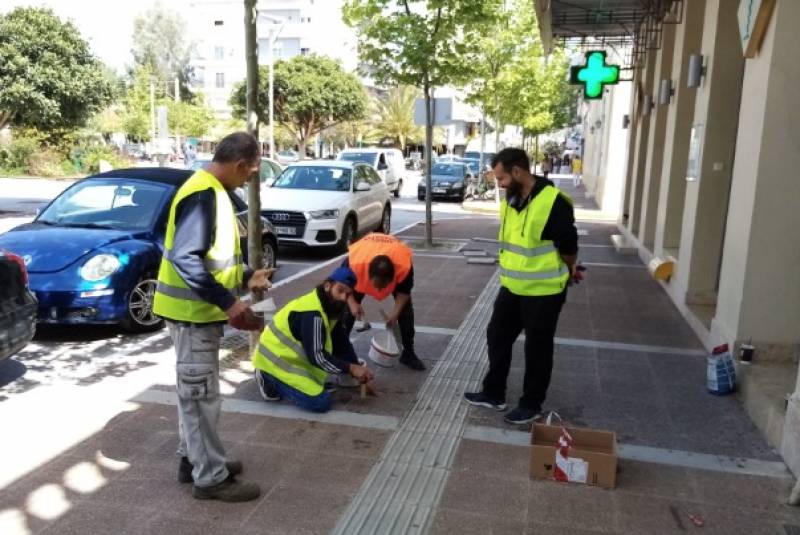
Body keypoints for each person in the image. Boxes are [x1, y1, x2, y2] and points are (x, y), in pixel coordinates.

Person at [153, 132, 272, 502]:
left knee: (195, 394)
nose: (249, 179)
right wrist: (229, 304)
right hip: (192, 316)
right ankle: (210, 478)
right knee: (201, 397)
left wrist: (245, 275)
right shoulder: (203, 193)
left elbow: (211, 260)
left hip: (193, 315)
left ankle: (195, 460)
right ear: (239, 165)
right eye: (251, 173)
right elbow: (186, 258)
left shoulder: (210, 191)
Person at [464, 148, 579, 425]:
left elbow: (569, 248)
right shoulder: (511, 199)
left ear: (518, 171)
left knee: (537, 349)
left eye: (502, 177)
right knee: (496, 335)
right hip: (512, 287)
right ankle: (494, 393)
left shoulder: (553, 202)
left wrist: (569, 269)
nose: (499, 184)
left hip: (544, 291)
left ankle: (531, 404)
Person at [252, 267, 375, 412]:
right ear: (328, 286)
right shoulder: (313, 314)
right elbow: (317, 357)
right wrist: (352, 369)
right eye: (340, 291)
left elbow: (341, 341)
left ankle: (304, 381)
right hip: (273, 362)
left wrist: (357, 369)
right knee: (319, 402)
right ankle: (267, 378)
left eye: (348, 294)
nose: (343, 297)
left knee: (321, 388)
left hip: (291, 360)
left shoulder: (329, 306)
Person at [341, 232, 426, 371]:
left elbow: (404, 292)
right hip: (361, 266)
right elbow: (340, 284)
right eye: (376, 285)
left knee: (406, 312)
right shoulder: (354, 262)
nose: (379, 290)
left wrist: (395, 314)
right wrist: (352, 303)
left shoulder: (403, 265)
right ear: (369, 275)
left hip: (392, 257)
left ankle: (408, 353)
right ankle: (341, 353)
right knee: (346, 313)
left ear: (393, 278)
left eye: (383, 286)